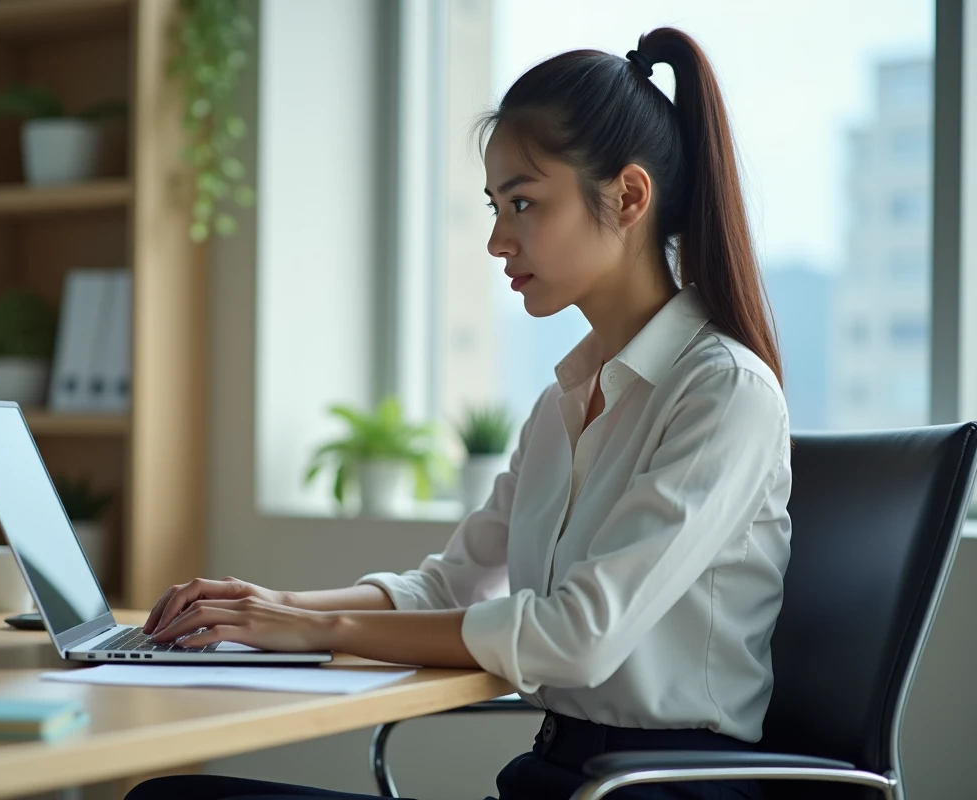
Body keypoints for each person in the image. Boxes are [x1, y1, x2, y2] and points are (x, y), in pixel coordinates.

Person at [126, 26, 790, 800]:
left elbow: (575, 639)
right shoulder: (560, 408)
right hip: (556, 778)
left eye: (523, 202)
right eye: (494, 205)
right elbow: (450, 587)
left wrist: (317, 631)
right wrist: (270, 607)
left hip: (661, 790)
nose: (497, 239)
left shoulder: (725, 395)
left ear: (629, 196)